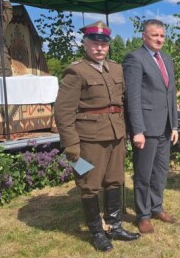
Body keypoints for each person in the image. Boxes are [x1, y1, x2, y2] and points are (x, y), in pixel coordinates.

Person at [54, 21, 140, 252]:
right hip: (88, 140)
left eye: (104, 44)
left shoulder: (116, 68)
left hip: (116, 136)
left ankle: (114, 225)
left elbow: (123, 103)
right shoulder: (76, 71)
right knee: (89, 185)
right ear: (85, 44)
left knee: (115, 180)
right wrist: (71, 145)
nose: (100, 48)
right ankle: (96, 231)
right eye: (94, 43)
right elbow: (63, 112)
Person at [123, 19, 179, 234]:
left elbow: (170, 94)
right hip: (146, 128)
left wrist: (174, 125)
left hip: (165, 127)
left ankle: (157, 207)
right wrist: (137, 130)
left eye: (162, 36)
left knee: (161, 171)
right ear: (143, 36)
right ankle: (143, 214)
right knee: (143, 173)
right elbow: (133, 98)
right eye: (154, 35)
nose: (159, 39)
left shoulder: (166, 59)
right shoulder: (134, 59)